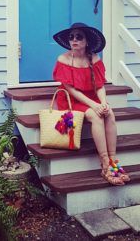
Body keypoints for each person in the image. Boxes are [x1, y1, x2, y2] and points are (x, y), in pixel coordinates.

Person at [52, 22, 130, 186]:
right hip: (71, 100)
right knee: (96, 116)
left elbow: (100, 85)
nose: (74, 40)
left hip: (91, 97)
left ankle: (113, 160)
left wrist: (103, 103)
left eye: (79, 37)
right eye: (71, 37)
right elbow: (71, 90)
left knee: (109, 113)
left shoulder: (94, 58)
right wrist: (94, 106)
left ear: (87, 41)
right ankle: (104, 164)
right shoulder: (63, 59)